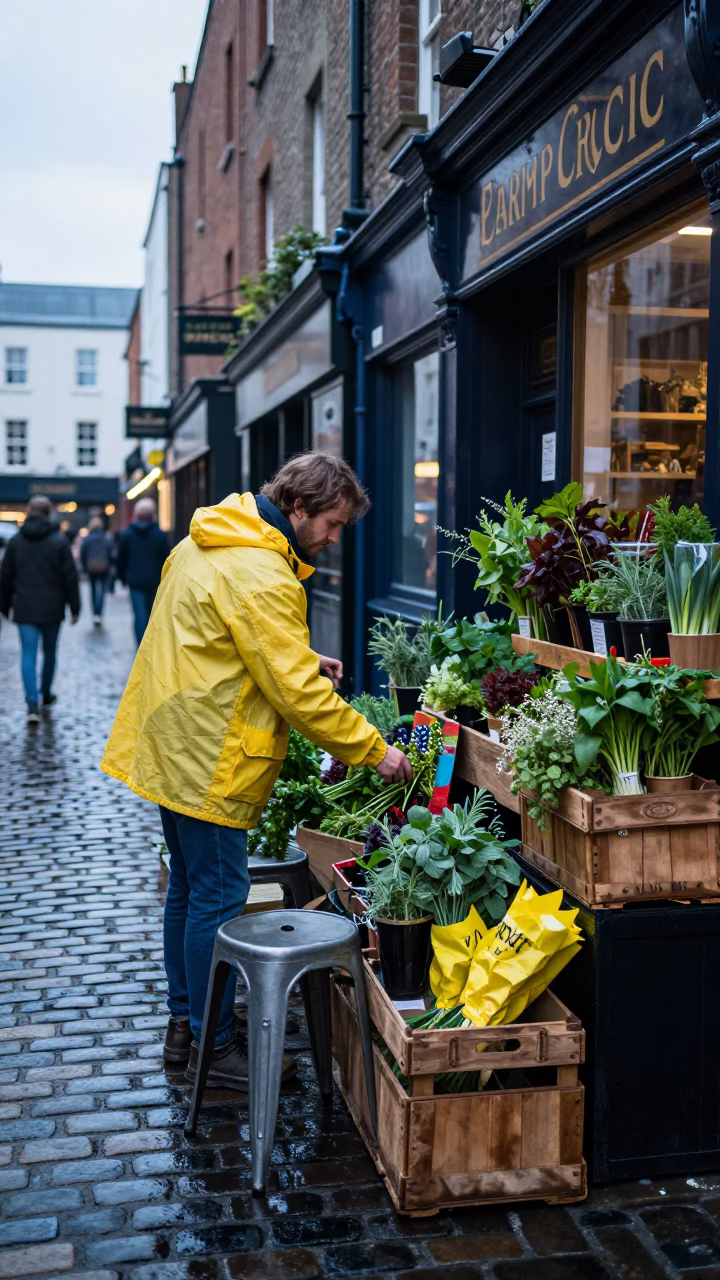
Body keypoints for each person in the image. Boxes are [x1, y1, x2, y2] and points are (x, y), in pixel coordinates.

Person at [101, 452, 412, 1089]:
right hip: (210, 754)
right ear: (297, 508)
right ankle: (215, 1050)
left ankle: (184, 1025)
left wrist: (297, 653)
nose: (332, 538)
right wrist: (375, 751)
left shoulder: (207, 540)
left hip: (172, 741)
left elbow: (219, 635)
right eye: (329, 523)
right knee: (216, 898)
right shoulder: (264, 573)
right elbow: (298, 695)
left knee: (187, 890)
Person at [0, 495, 80, 723]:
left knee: (28, 654)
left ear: (28, 512)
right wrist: (75, 607)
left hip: (24, 606)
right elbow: (70, 577)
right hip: (52, 607)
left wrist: (4, 606)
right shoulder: (59, 542)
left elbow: (5, 577)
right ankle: (45, 693)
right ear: (48, 514)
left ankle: (32, 703)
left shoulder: (16, 542)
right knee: (50, 652)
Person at [116, 497, 170, 645]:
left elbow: (121, 559)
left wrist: (122, 578)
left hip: (135, 581)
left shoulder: (127, 535)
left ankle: (141, 646)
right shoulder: (159, 535)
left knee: (139, 615)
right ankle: (151, 645)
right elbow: (167, 558)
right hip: (155, 580)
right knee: (152, 614)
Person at [80, 517, 114, 626]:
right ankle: (99, 613)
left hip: (91, 568)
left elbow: (83, 553)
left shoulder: (87, 539)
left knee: (93, 591)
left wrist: (85, 567)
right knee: (102, 592)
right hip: (104, 567)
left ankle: (95, 613)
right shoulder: (106, 538)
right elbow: (111, 553)